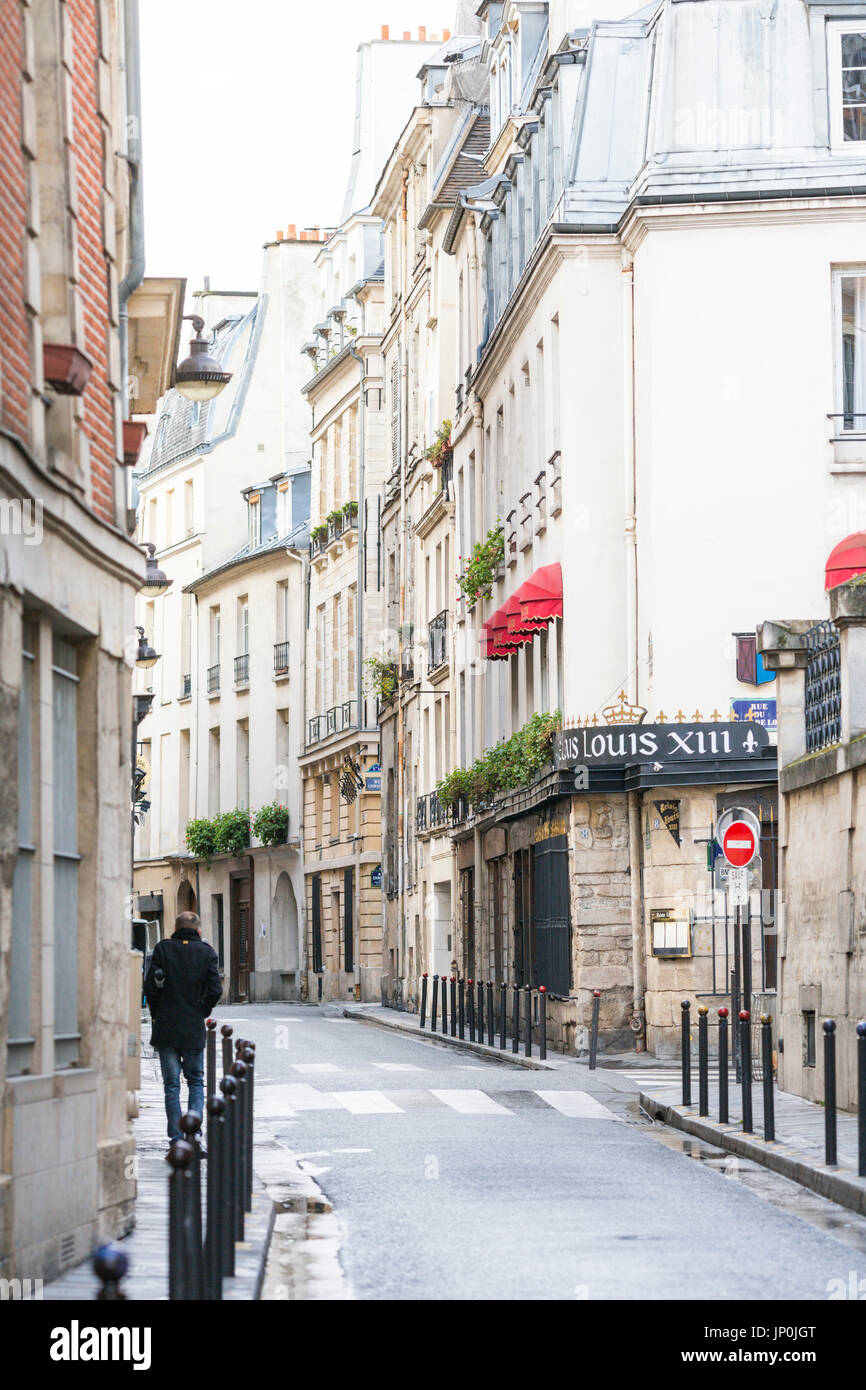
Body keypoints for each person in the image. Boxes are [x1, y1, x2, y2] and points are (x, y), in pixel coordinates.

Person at [144, 911, 222, 1147]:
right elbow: (215, 990)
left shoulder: (163, 949)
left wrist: (158, 1013)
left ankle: (176, 1138)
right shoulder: (207, 953)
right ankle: (194, 1133)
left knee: (172, 1085)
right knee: (196, 1081)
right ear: (198, 931)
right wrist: (202, 1010)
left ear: (175, 929)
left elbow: (149, 987)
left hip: (166, 1028)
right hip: (192, 1028)